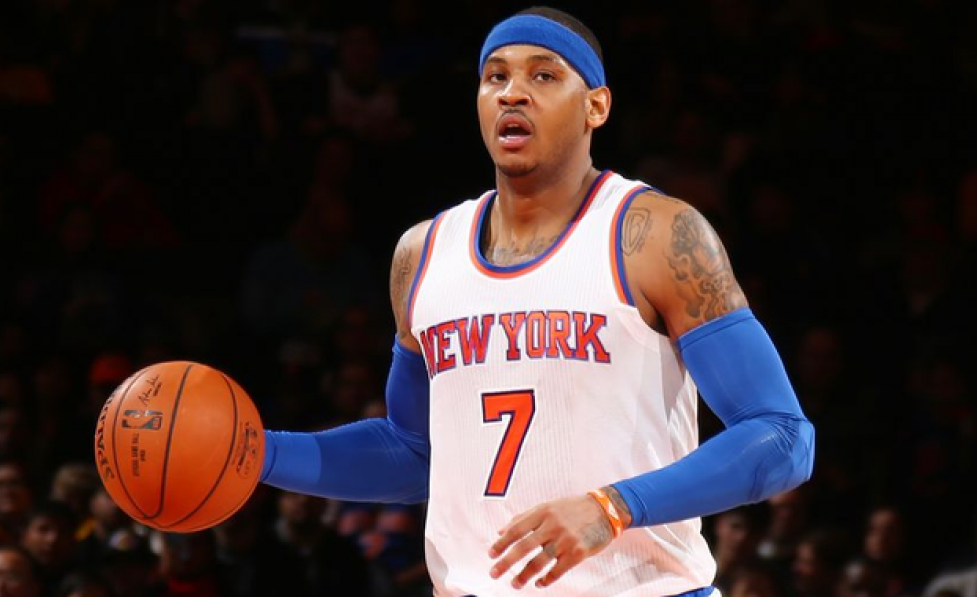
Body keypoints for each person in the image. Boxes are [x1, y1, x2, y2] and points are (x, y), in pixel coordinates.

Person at [260, 6, 815, 595]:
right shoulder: (422, 253)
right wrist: (255, 455)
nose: (512, 93)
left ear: (596, 106)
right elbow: (413, 453)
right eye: (495, 76)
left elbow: (784, 437)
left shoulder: (654, 234)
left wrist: (613, 507)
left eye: (543, 75)